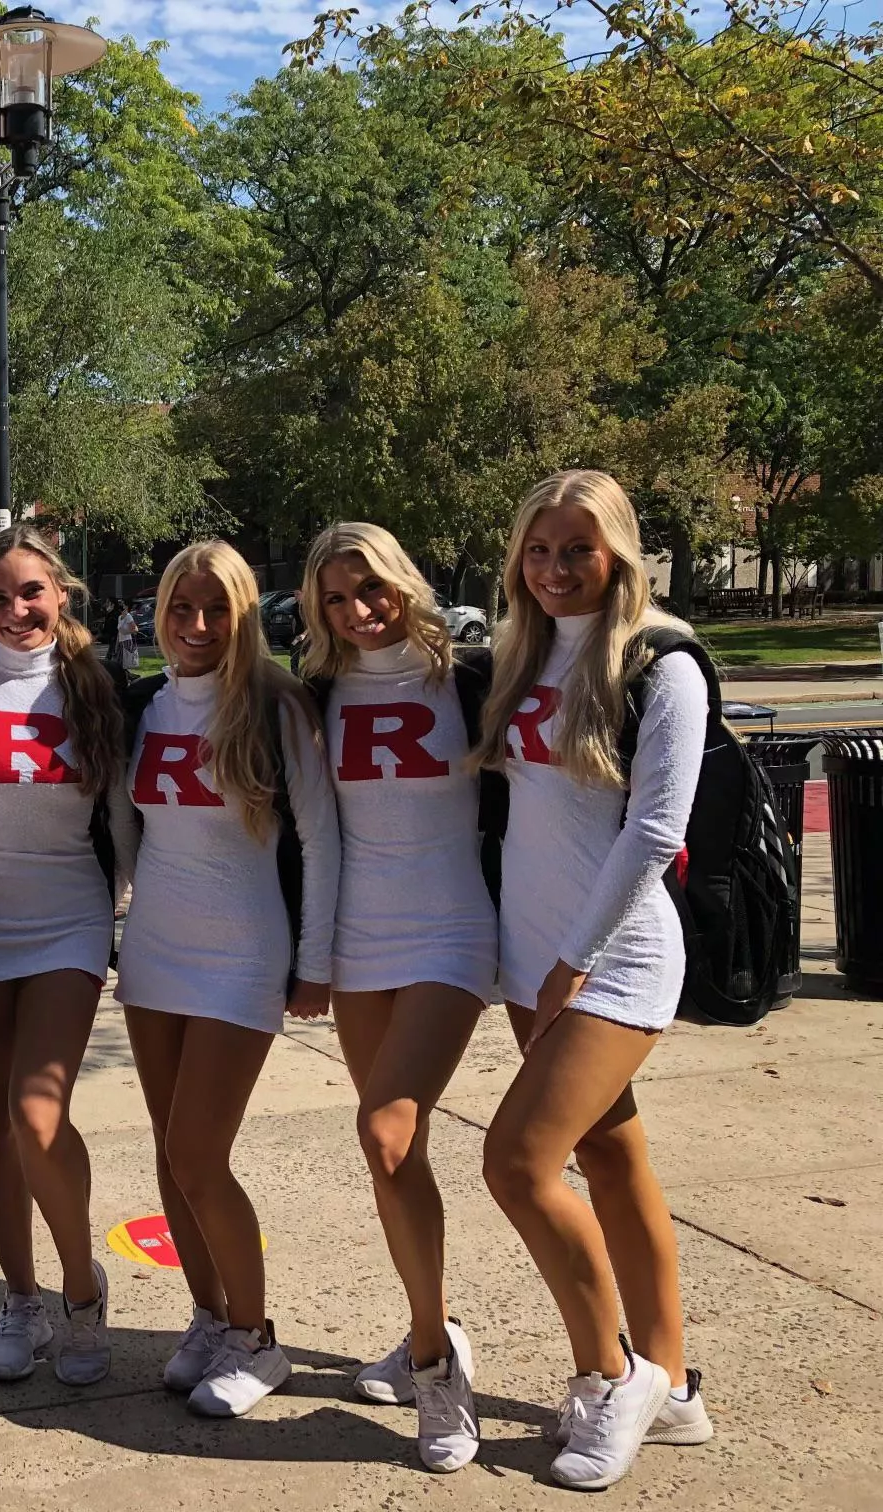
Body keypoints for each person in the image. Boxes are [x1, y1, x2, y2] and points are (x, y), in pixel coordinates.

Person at [475, 470, 714, 1491]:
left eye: (578, 548)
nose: (556, 568)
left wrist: (572, 961)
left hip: (613, 963)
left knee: (518, 1165)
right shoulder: (527, 653)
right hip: (539, 960)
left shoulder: (663, 663)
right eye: (539, 549)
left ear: (618, 550)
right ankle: (676, 1386)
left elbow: (656, 831)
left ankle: (611, 1373)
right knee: (614, 1167)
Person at [114, 539, 338, 1419]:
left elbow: (319, 840)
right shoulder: (145, 704)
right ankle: (208, 1318)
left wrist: (313, 966)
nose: (198, 625)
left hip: (244, 953)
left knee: (203, 1154)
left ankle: (257, 1336)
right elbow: (127, 835)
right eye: (181, 608)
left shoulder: (278, 709)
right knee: (172, 1155)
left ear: (245, 616)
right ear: (159, 614)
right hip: (155, 950)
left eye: (217, 609)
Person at [298, 522, 496, 1472]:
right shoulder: (318, 691)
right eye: (335, 598)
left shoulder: (469, 675)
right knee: (394, 1158)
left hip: (454, 932)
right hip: (358, 940)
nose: (357, 610)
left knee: (385, 1130)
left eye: (369, 588)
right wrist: (312, 952)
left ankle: (432, 1363)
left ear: (402, 583)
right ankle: (434, 1318)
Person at [0, 525, 134, 1388]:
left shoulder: (99, 685)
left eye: (32, 592)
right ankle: (19, 1296)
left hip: (66, 917)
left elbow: (129, 819)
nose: (16, 609)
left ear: (61, 594)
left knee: (36, 1113)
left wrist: (129, 912)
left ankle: (80, 1287)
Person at [113, 602, 139, 672]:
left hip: (127, 641)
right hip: (121, 641)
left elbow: (135, 629)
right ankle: (123, 675)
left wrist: (126, 632)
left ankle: (127, 676)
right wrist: (117, 642)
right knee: (119, 661)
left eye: (125, 606)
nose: (124, 608)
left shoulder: (128, 616)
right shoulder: (120, 617)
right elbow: (119, 631)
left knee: (126, 662)